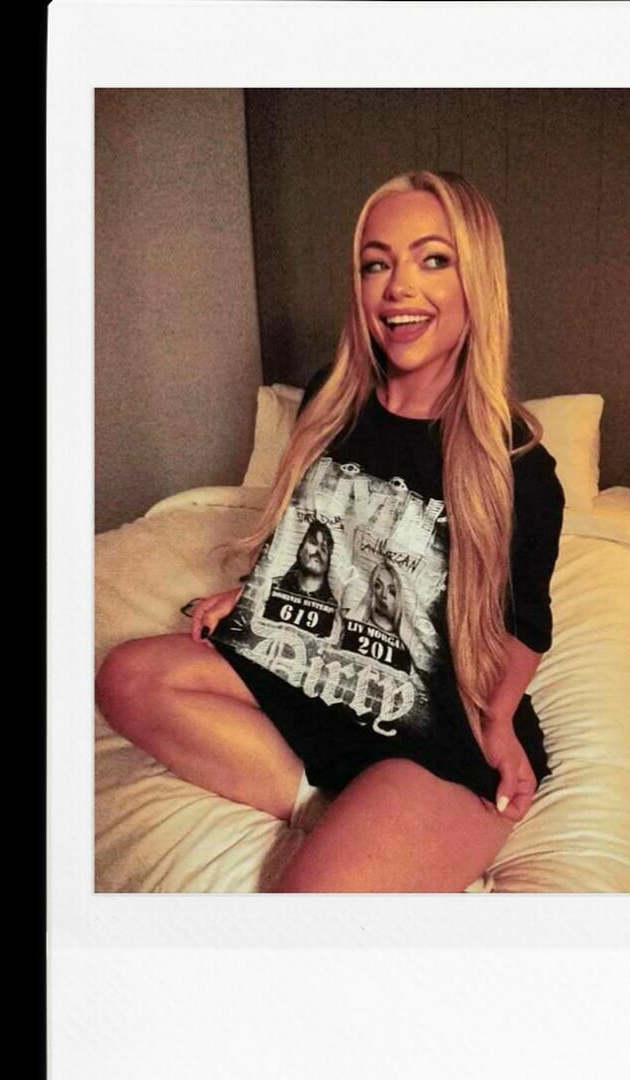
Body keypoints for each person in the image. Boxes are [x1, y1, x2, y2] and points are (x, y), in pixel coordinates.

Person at [96, 171, 565, 892]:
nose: (399, 287)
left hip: (429, 723)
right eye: (377, 264)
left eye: (433, 260)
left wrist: (498, 723)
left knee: (311, 909)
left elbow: (525, 625)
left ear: (477, 279)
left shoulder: (518, 465)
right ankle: (320, 806)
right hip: (314, 666)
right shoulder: (330, 398)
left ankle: (381, 819)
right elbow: (314, 524)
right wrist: (254, 593)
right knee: (128, 676)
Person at [271, 519, 338, 604]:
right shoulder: (274, 587)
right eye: (313, 543)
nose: (318, 551)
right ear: (300, 551)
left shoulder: (333, 604)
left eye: (324, 549)